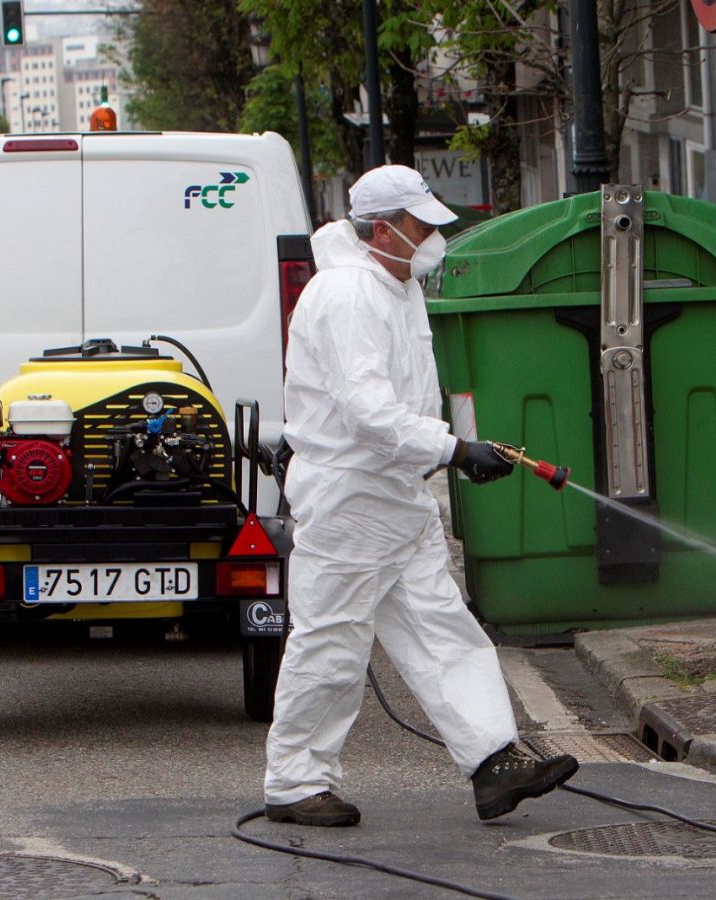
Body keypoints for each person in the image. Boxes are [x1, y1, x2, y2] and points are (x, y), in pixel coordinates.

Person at [264, 165, 579, 827]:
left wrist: (450, 451)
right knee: (332, 646)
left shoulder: (395, 287)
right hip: (349, 501)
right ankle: (294, 782)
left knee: (444, 629)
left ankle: (494, 760)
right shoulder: (348, 296)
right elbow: (369, 414)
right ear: (383, 229)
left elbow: (402, 406)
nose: (434, 236)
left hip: (396, 500)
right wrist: (456, 450)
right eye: (421, 225)